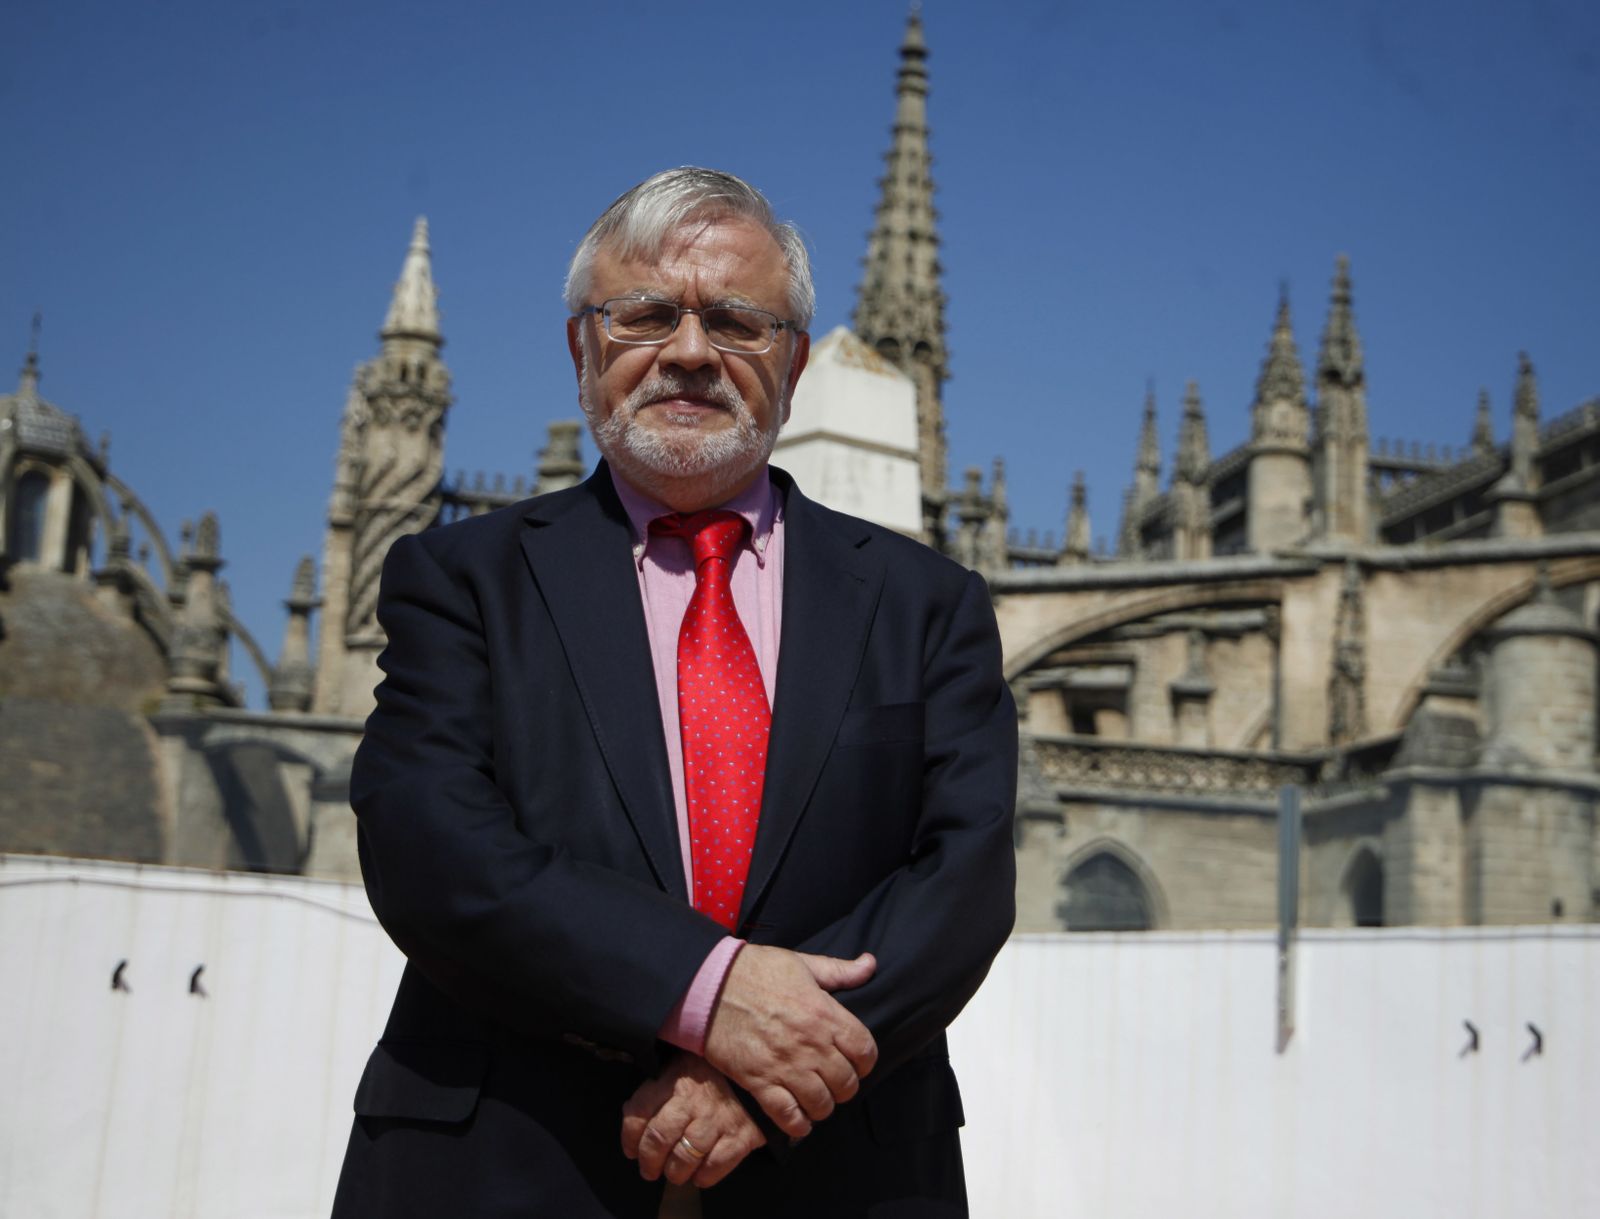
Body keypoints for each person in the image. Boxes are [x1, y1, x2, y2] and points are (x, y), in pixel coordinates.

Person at [331, 167, 1017, 1218]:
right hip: (506, 1170)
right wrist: (705, 992)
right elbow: (430, 842)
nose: (689, 352)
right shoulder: (462, 579)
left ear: (791, 360)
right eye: (645, 314)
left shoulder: (928, 604)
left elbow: (962, 879)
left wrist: (759, 1069)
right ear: (581, 348)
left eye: (737, 321)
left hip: (843, 1174)